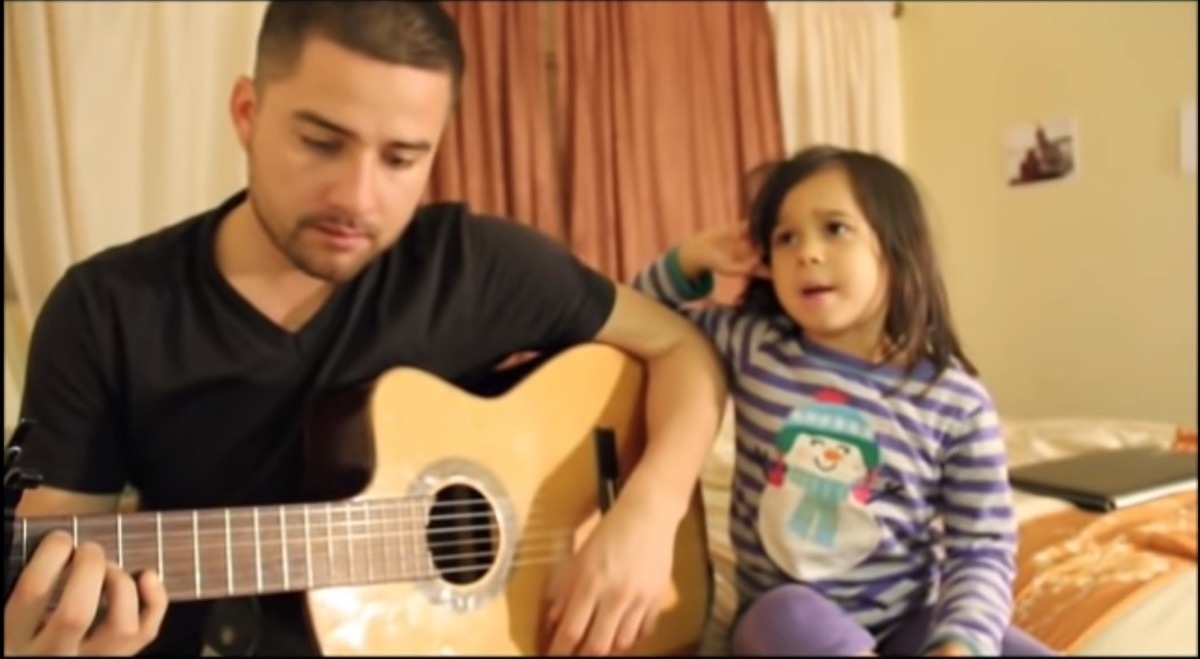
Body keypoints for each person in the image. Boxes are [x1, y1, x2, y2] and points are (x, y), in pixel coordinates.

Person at [3, 2, 727, 656]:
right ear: (247, 113)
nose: (357, 196)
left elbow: (681, 348)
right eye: (321, 142)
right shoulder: (104, 310)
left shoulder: (479, 266)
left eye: (402, 159)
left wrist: (648, 512)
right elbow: (47, 574)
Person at [630, 146, 1057, 657]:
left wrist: (961, 643)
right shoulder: (754, 345)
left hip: (907, 619)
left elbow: (982, 548)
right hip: (783, 622)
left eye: (834, 229)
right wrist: (690, 257)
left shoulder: (956, 401)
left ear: (897, 249)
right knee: (787, 612)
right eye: (785, 237)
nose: (806, 252)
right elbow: (634, 318)